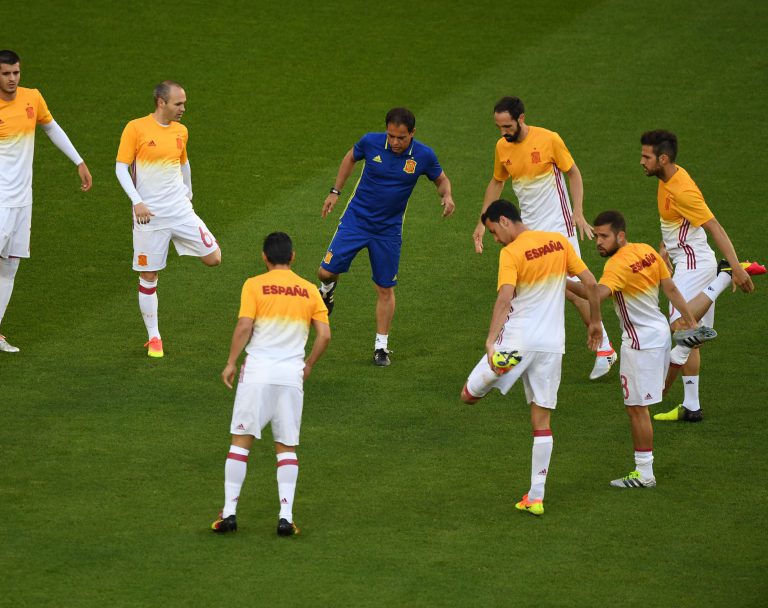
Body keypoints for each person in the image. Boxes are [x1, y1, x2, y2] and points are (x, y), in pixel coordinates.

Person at [0, 49, 93, 353]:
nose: (12, 79)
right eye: (6, 73)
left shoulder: (32, 98)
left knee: (10, 263)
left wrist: (78, 161)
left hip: (24, 197)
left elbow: (51, 127)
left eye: (17, 73)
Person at [460, 199, 601, 516]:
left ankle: (499, 368)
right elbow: (590, 283)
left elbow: (505, 296)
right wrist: (595, 322)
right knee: (542, 422)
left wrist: (491, 340)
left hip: (517, 341)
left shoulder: (511, 253)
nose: (495, 239)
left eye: (495, 231)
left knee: (467, 395)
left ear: (505, 221)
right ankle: (535, 497)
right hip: (552, 345)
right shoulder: (558, 242)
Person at [474, 96, 617, 380]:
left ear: (521, 118)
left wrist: (578, 211)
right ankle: (510, 346)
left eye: (507, 126)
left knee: (572, 287)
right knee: (526, 286)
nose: (503, 132)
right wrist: (482, 222)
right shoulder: (502, 147)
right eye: (499, 127)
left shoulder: (549, 139)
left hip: (558, 227)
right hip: (526, 229)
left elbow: (573, 172)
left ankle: (605, 347)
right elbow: (497, 181)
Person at [211, 232, 330, 536]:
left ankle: (230, 513)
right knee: (286, 447)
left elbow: (244, 325)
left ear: (264, 257)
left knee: (240, 443)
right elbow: (325, 336)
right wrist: (308, 365)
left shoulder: (254, 285)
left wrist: (230, 362)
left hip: (257, 373)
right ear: (293, 257)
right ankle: (286, 517)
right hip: (291, 376)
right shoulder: (309, 290)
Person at [318, 107, 455, 367]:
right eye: (391, 136)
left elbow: (441, 180)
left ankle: (381, 347)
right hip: (355, 221)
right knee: (325, 272)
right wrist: (335, 191)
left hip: (388, 230)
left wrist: (447, 196)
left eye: (401, 138)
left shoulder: (424, 155)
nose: (394, 142)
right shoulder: (370, 142)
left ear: (412, 133)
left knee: (385, 287)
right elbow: (350, 157)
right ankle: (327, 290)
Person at [640, 130, 760, 422]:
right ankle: (692, 407)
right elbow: (671, 225)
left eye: (646, 156)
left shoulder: (682, 189)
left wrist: (737, 268)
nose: (641, 161)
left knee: (680, 325)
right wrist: (663, 253)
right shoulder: (666, 179)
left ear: (663, 158)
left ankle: (723, 277)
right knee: (692, 337)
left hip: (695, 263)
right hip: (685, 259)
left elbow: (714, 226)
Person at [591, 210, 705, 488]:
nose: (598, 242)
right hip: (660, 333)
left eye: (604, 236)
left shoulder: (616, 265)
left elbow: (597, 294)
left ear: (620, 235)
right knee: (655, 394)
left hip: (638, 343)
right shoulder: (647, 252)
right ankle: (678, 352)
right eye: (596, 236)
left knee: (637, 408)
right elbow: (671, 289)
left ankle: (644, 474)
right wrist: (689, 320)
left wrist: (593, 322)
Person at [115, 80, 222, 358]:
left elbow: (183, 162)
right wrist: (136, 201)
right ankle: (154, 338)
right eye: (178, 103)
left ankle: (175, 243)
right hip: (149, 217)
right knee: (149, 275)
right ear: (161, 102)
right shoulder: (135, 128)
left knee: (214, 257)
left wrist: (189, 193)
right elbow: (120, 168)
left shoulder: (181, 131)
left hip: (180, 211)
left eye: (184, 103)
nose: (183, 108)